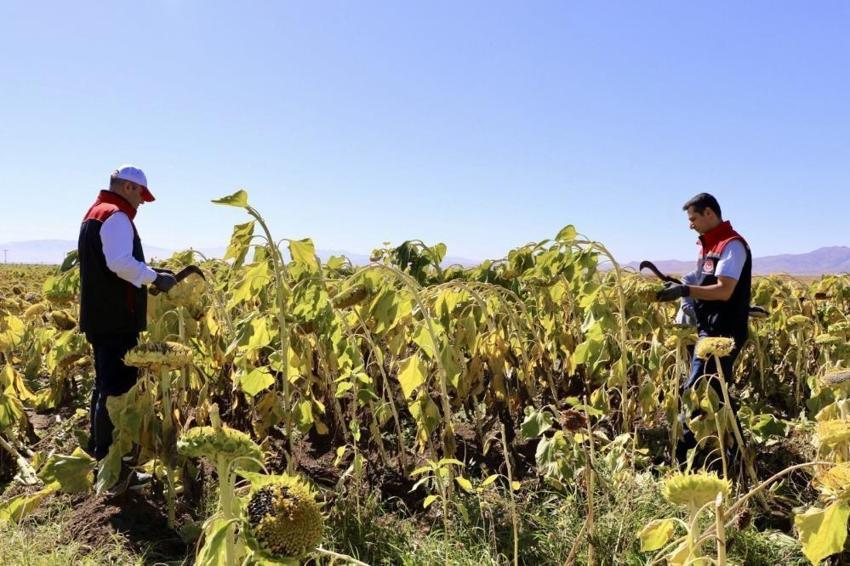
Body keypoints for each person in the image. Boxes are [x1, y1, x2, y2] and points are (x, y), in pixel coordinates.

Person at [78, 165, 177, 460]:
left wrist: (151, 272)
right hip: (116, 317)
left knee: (105, 385)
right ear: (128, 188)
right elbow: (120, 263)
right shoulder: (116, 216)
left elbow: (113, 262)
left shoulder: (96, 213)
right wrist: (155, 279)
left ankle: (102, 452)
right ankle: (114, 460)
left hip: (101, 315)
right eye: (141, 195)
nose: (141, 203)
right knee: (119, 390)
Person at [656, 193, 752, 462]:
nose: (691, 225)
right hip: (709, 328)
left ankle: (685, 457)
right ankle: (736, 453)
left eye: (694, 218)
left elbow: (724, 290)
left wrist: (685, 289)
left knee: (697, 390)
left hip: (725, 332)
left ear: (709, 213)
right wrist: (681, 286)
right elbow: (705, 281)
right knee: (715, 391)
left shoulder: (732, 245)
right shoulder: (709, 246)